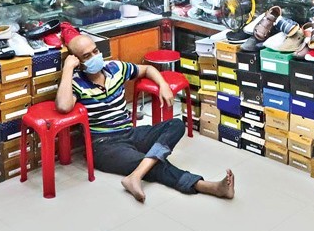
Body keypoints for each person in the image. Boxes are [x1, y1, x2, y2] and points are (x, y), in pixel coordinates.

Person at [55, 34, 234, 203]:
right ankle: (207, 187)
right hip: (104, 145)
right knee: (155, 166)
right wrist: (68, 69)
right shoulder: (76, 82)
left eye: (95, 51)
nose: (95, 57)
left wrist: (163, 84)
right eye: (87, 56)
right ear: (78, 61)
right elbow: (63, 106)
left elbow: (147, 69)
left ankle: (136, 175)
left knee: (176, 125)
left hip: (130, 133)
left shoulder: (115, 68)